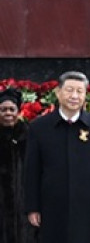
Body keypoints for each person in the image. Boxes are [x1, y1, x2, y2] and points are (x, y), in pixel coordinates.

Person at [24, 71, 90, 243]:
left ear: (85, 95)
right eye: (69, 90)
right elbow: (32, 170)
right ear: (58, 92)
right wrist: (32, 207)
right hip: (52, 205)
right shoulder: (39, 127)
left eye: (79, 91)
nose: (74, 96)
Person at [0, 88, 38, 243]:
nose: (8, 113)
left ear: (18, 111)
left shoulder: (29, 135)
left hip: (24, 203)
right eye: (3, 110)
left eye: (11, 109)